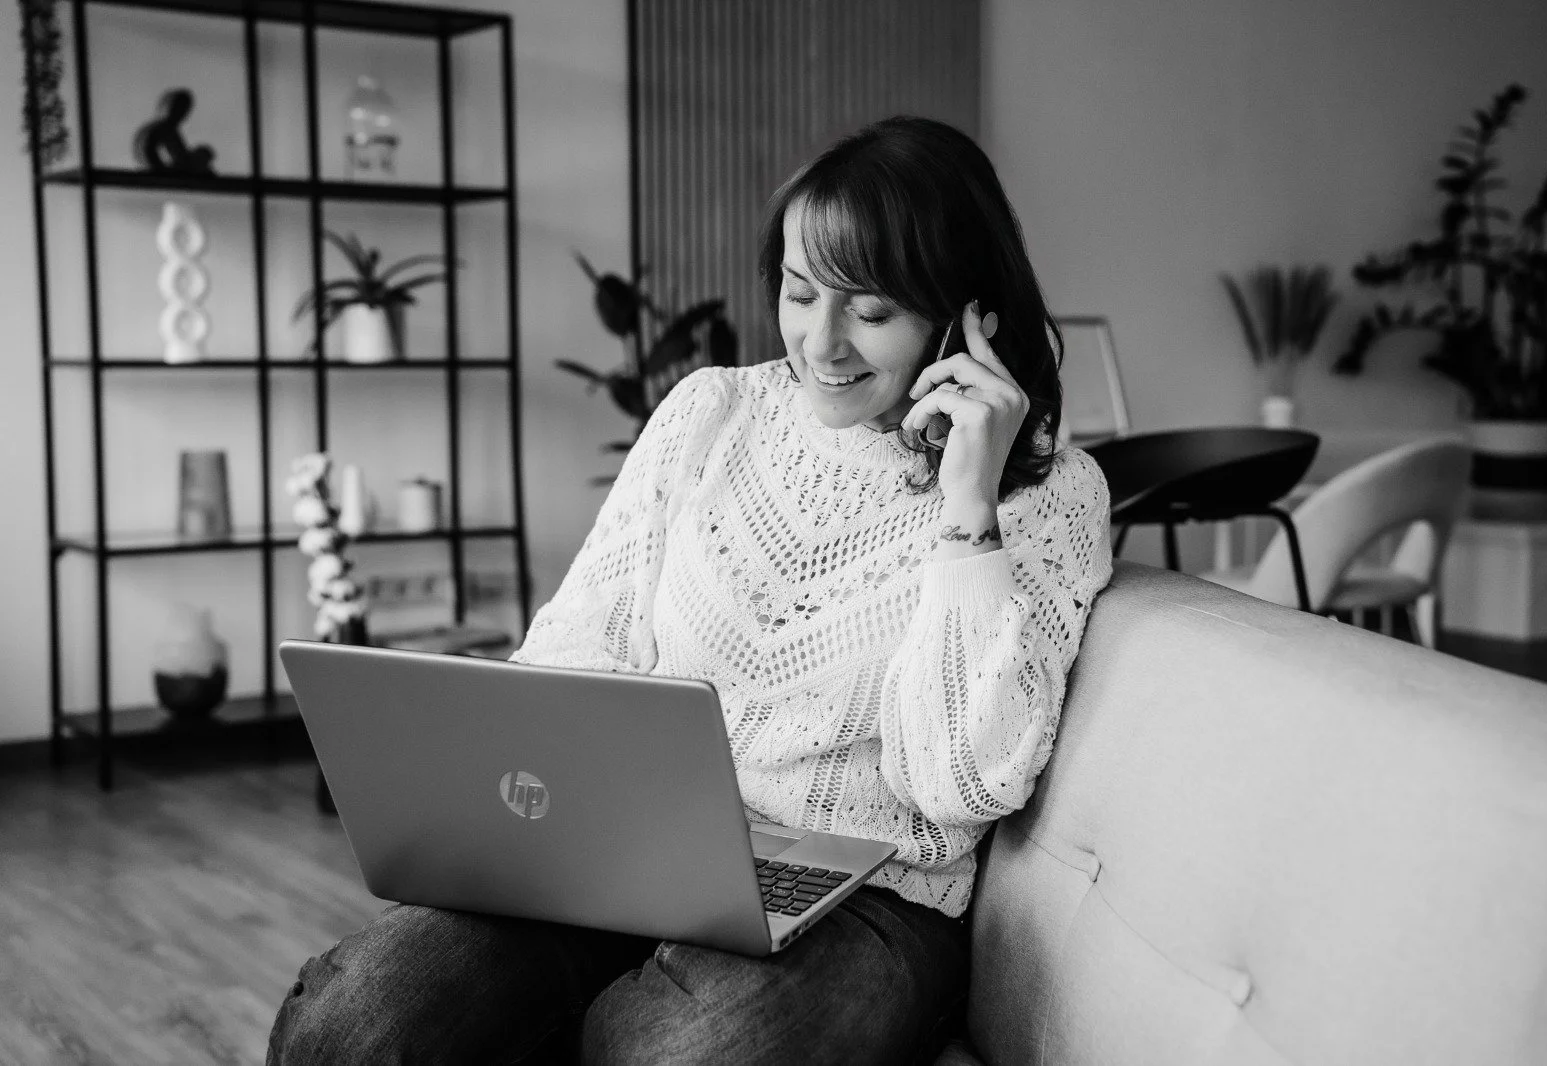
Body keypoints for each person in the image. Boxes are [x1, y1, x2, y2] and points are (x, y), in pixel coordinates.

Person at [266, 114, 1112, 1066]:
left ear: (968, 315)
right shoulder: (713, 411)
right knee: (349, 1028)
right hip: (624, 855)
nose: (820, 343)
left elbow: (959, 785)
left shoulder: (1049, 496)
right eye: (800, 294)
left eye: (870, 312)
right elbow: (577, 649)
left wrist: (967, 506)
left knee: (679, 1053)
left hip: (867, 901)